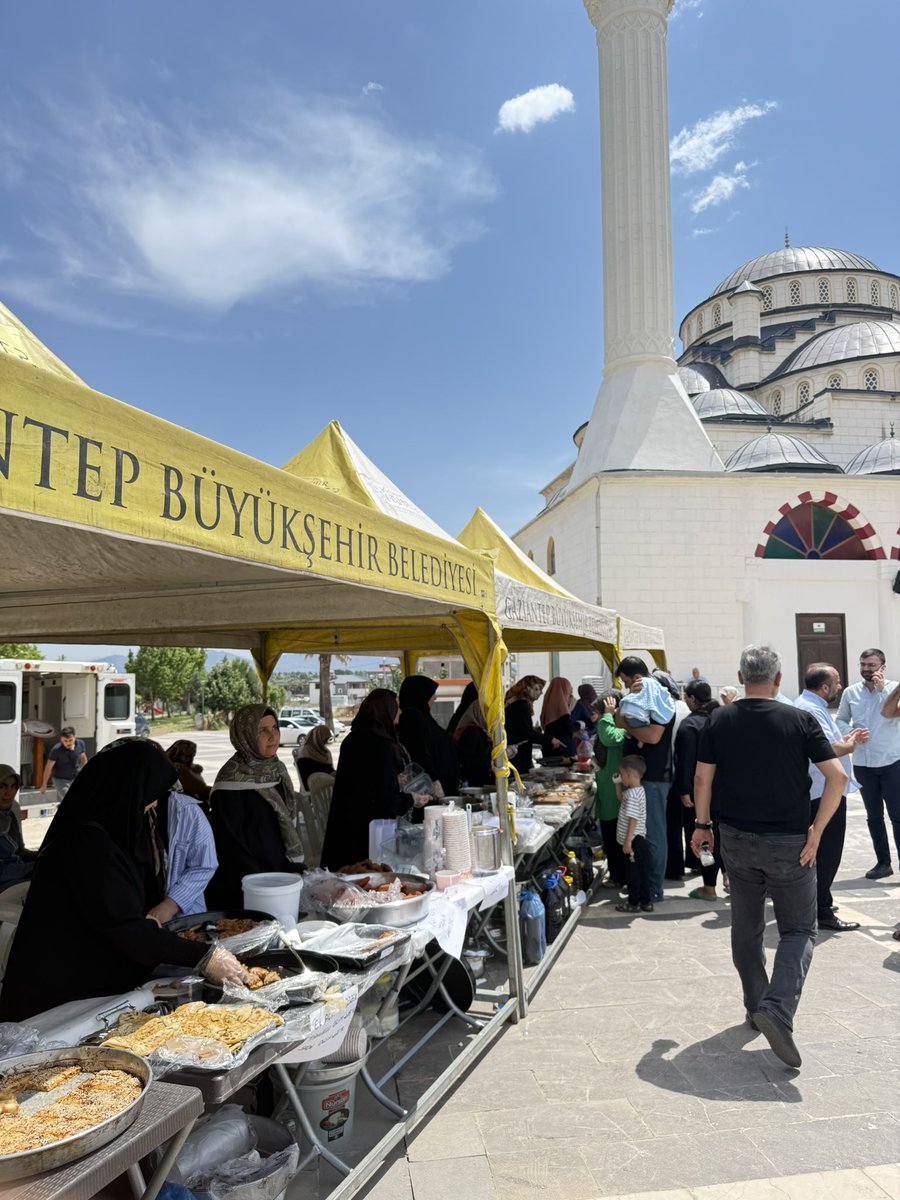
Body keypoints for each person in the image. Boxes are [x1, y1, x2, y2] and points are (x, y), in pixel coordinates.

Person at [0, 741, 247, 1023]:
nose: (154, 804)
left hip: (89, 987)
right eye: (151, 794)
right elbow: (124, 928)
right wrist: (206, 956)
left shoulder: (111, 833)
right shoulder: (84, 846)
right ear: (127, 788)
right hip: (56, 1007)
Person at [692, 644, 846, 1068]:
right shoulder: (798, 719)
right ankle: (776, 1008)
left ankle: (757, 1005)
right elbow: (837, 777)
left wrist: (702, 825)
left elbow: (703, 777)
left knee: (747, 925)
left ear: (742, 678)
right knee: (798, 930)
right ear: (778, 679)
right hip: (789, 842)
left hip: (735, 838)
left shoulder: (719, 719)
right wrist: (818, 830)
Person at [206, 706, 304, 909]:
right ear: (245, 736)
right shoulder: (230, 785)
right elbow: (232, 848)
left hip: (280, 876)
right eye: (262, 730)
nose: (272, 735)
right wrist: (265, 885)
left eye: (275, 727)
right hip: (248, 888)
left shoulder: (276, 771)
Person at [794, 664, 868, 932]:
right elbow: (826, 749)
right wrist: (850, 745)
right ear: (824, 687)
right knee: (826, 852)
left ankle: (818, 901)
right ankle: (821, 909)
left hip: (818, 791)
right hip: (823, 793)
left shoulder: (808, 705)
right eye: (836, 683)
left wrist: (846, 739)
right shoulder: (811, 709)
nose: (840, 687)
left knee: (820, 851)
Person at [321, 689, 430, 869]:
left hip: (345, 829)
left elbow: (364, 782)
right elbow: (385, 800)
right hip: (369, 835)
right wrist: (412, 799)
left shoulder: (352, 739)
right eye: (397, 707)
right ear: (386, 709)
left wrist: (394, 780)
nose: (400, 712)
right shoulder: (383, 745)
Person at [835, 648, 900, 881]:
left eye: (871, 665)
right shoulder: (850, 693)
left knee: (897, 815)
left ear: (882, 667)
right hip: (863, 764)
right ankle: (883, 863)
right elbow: (840, 719)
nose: (866, 669)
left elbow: (891, 713)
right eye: (863, 664)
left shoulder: (894, 690)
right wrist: (850, 733)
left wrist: (883, 692)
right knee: (873, 816)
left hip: (892, 761)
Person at [615, 657, 675, 903]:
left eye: (627, 682)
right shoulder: (642, 699)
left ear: (637, 677)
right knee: (640, 833)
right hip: (643, 778)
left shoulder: (658, 697)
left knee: (653, 835)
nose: (627, 688)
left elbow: (652, 736)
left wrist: (623, 723)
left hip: (652, 778)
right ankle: (643, 884)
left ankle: (653, 889)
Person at [672, 682, 717, 897]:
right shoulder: (718, 719)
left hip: (697, 790)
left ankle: (708, 884)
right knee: (720, 833)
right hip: (721, 788)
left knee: (701, 834)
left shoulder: (689, 725)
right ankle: (726, 877)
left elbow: (685, 762)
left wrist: (684, 789)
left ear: (691, 699)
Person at [397, 675, 459, 797]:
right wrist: (433, 780)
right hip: (428, 791)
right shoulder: (412, 720)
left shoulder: (422, 717)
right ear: (421, 694)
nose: (435, 697)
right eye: (431, 693)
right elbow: (420, 753)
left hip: (438, 785)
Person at [594, 693, 628, 890]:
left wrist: (608, 715)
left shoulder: (620, 730)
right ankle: (617, 874)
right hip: (609, 792)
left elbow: (607, 737)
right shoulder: (615, 727)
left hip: (615, 794)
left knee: (615, 838)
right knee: (611, 836)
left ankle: (618, 876)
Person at [614, 756, 654, 914]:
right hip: (640, 840)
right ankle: (646, 901)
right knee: (643, 871)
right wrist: (617, 785)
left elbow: (633, 818)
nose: (621, 777)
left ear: (629, 775)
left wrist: (627, 841)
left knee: (632, 873)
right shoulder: (638, 791)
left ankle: (633, 902)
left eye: (621, 775)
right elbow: (620, 798)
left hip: (632, 841)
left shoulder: (632, 795)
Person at [0, 765, 36, 893]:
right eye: (2, 787)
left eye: (13, 786)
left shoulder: (10, 815)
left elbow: (20, 851)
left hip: (18, 876)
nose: (9, 793)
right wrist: (31, 867)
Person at [503, 675, 546, 774]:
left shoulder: (516, 703)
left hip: (515, 753)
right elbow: (526, 733)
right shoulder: (521, 705)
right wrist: (549, 739)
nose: (540, 693)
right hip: (516, 755)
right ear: (526, 688)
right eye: (536, 688)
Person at [453, 697, 495, 787]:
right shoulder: (472, 732)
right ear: (479, 713)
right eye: (487, 713)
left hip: (479, 781)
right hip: (474, 784)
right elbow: (470, 763)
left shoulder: (481, 730)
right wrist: (492, 762)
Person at [40, 726, 87, 798]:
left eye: (70, 740)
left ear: (75, 737)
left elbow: (83, 758)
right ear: (61, 739)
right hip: (61, 779)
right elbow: (48, 767)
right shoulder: (56, 750)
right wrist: (44, 784)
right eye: (65, 741)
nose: (68, 743)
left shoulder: (80, 744)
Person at [540, 677, 578, 756]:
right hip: (562, 755)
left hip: (549, 751)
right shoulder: (562, 709)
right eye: (569, 692)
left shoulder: (548, 703)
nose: (570, 696)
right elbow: (569, 729)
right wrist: (579, 724)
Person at [293, 724, 335, 791]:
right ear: (318, 738)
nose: (325, 742)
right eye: (324, 739)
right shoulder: (305, 752)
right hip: (314, 788)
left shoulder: (323, 750)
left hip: (326, 783)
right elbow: (310, 776)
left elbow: (329, 769)